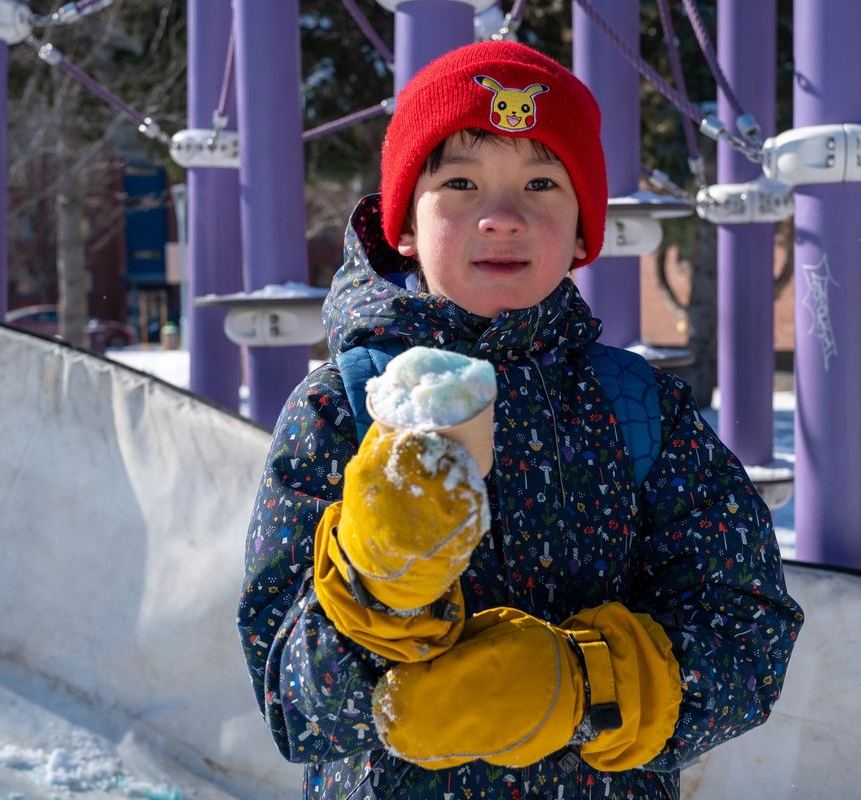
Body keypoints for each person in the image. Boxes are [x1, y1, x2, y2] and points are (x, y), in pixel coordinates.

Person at [238, 40, 802, 799]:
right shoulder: (340, 410)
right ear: (404, 223)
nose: (501, 217)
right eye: (461, 182)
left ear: (580, 233)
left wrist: (586, 688)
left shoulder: (639, 409)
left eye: (541, 182)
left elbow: (748, 630)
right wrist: (377, 589)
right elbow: (293, 707)